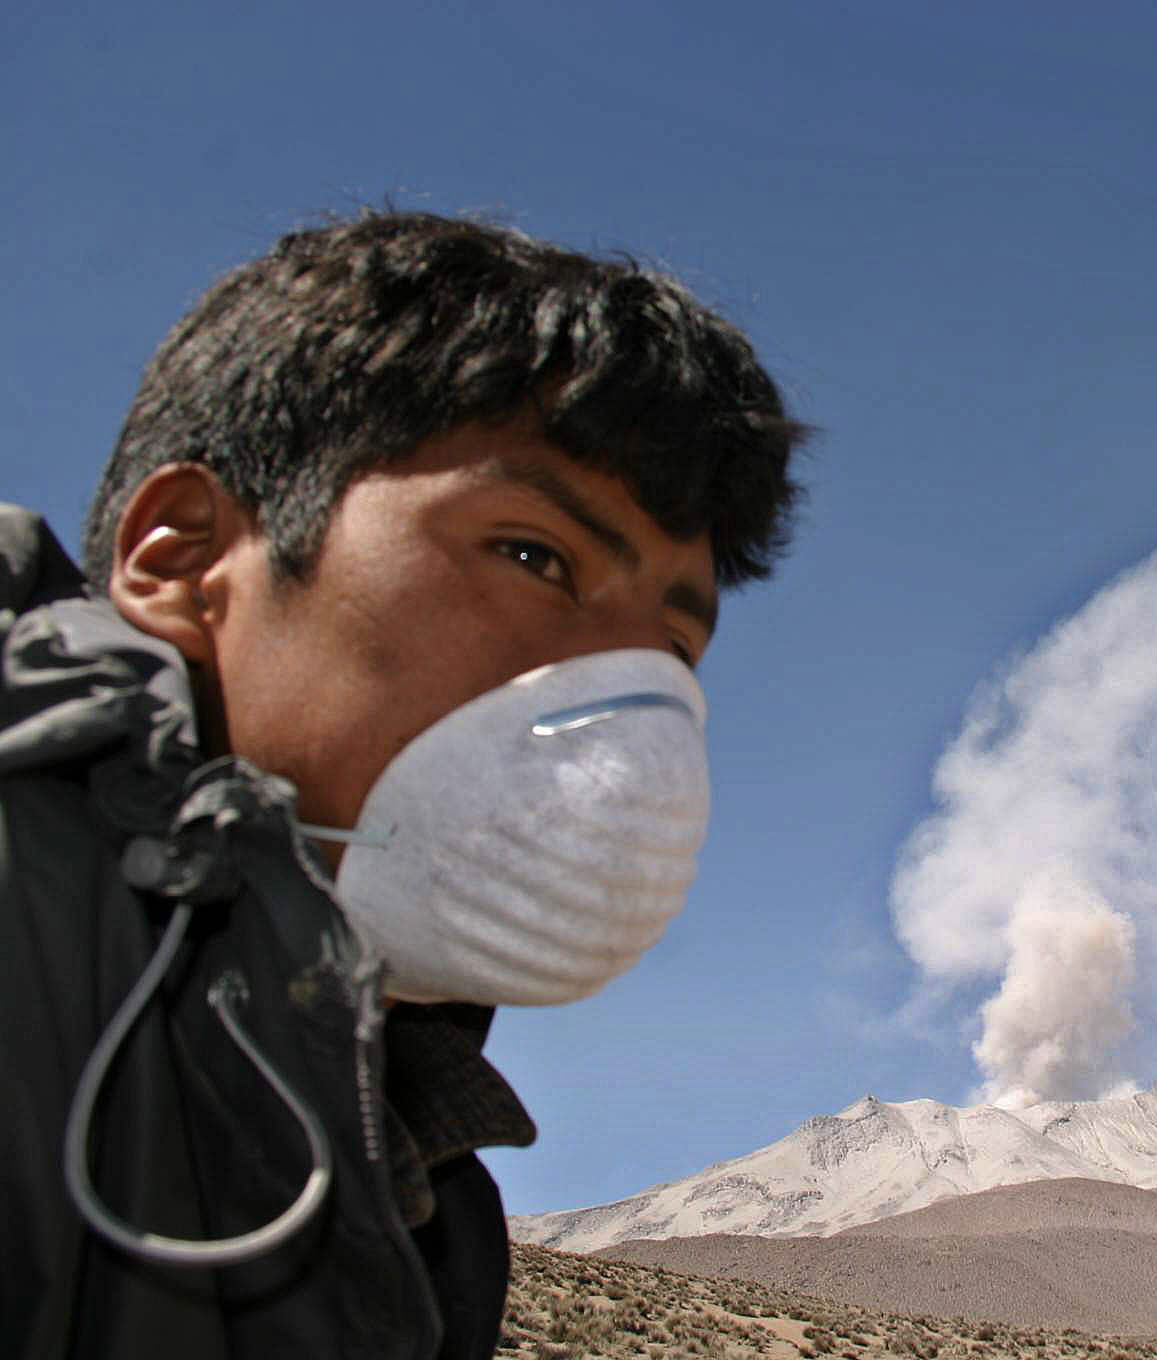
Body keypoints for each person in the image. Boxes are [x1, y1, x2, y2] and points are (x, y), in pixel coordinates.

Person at [0, 210, 807, 1359]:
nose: (614, 705)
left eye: (670, 654)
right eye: (534, 557)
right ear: (182, 559)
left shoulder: (427, 1183)